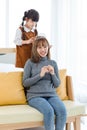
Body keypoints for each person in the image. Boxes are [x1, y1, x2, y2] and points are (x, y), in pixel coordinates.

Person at [23, 36, 67, 130]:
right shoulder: (30, 63)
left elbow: (57, 84)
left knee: (62, 111)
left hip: (51, 95)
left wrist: (52, 73)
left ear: (48, 47)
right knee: (49, 111)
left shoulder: (53, 63)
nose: (43, 50)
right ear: (35, 49)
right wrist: (40, 75)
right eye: (39, 47)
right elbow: (25, 83)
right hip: (35, 96)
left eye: (45, 47)